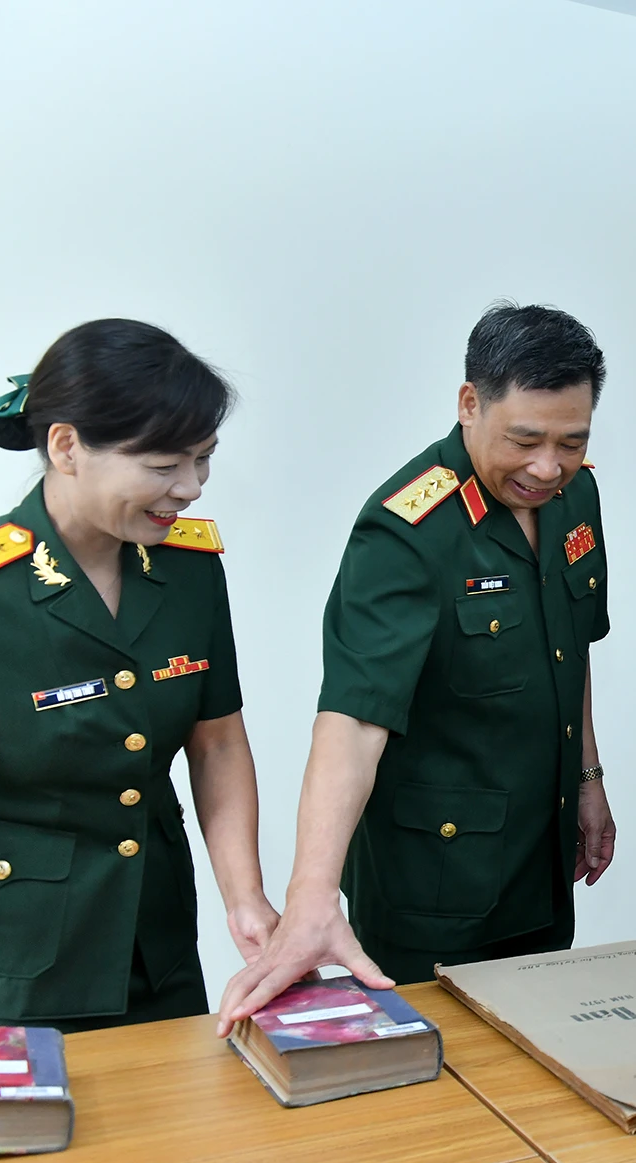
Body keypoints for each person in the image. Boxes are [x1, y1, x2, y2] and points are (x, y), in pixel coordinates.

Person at [216, 303, 614, 1028]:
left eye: (572, 442)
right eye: (525, 440)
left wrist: (589, 781)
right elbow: (354, 722)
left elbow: (572, 647)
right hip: (438, 885)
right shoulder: (405, 533)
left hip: (542, 861)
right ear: (470, 404)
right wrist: (313, 896)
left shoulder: (574, 496)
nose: (547, 467)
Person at [0, 320, 275, 1032]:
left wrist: (245, 898)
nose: (191, 487)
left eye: (203, 459)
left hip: (157, 942)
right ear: (66, 446)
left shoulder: (189, 570)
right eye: (164, 464)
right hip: (17, 960)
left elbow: (218, 744)